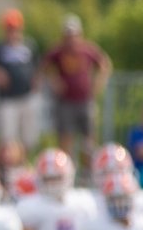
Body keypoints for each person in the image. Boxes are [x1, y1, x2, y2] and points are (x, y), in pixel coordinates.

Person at [40, 15, 112, 174]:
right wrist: (53, 80)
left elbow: (105, 64)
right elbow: (43, 67)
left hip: (85, 101)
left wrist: (99, 83)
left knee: (89, 140)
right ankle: (66, 172)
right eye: (68, 35)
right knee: (66, 140)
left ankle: (88, 173)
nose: (71, 39)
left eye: (74, 35)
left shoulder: (88, 49)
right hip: (65, 103)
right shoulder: (57, 51)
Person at [0, 8, 42, 151]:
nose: (13, 32)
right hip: (7, 99)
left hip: (27, 97)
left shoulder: (29, 45)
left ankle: (25, 165)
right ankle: (7, 167)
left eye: (15, 28)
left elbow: (37, 65)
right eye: (9, 29)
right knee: (8, 137)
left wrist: (37, 79)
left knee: (28, 137)